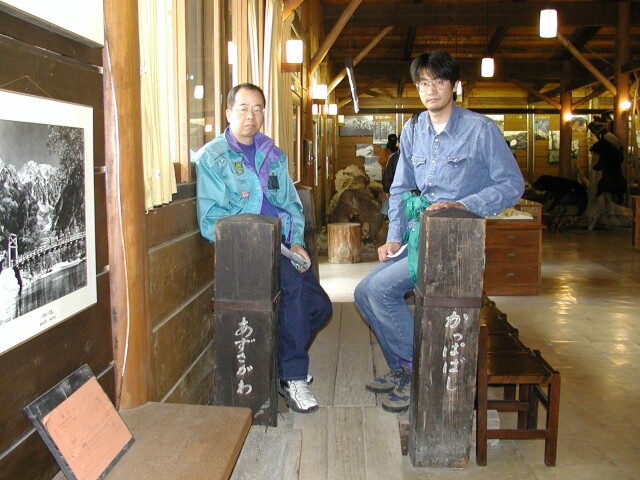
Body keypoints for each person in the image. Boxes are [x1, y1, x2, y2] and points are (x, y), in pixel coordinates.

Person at [355, 51, 525, 413]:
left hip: (455, 244)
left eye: (439, 81)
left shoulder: (480, 131)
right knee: (362, 293)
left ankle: (416, 370)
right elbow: (400, 188)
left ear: (455, 85)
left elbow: (512, 184)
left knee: (380, 291)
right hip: (418, 236)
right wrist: (393, 236)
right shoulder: (413, 129)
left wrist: (465, 204)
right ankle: (404, 366)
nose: (430, 90)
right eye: (423, 83)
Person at [194, 83, 332, 414]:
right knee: (295, 288)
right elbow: (210, 219)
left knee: (321, 307)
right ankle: (294, 376)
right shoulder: (212, 157)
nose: (250, 116)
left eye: (258, 109)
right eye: (243, 108)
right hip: (244, 247)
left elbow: (291, 205)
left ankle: (282, 361)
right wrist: (255, 234)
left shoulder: (273, 155)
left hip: (281, 244)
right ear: (228, 113)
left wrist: (296, 241)